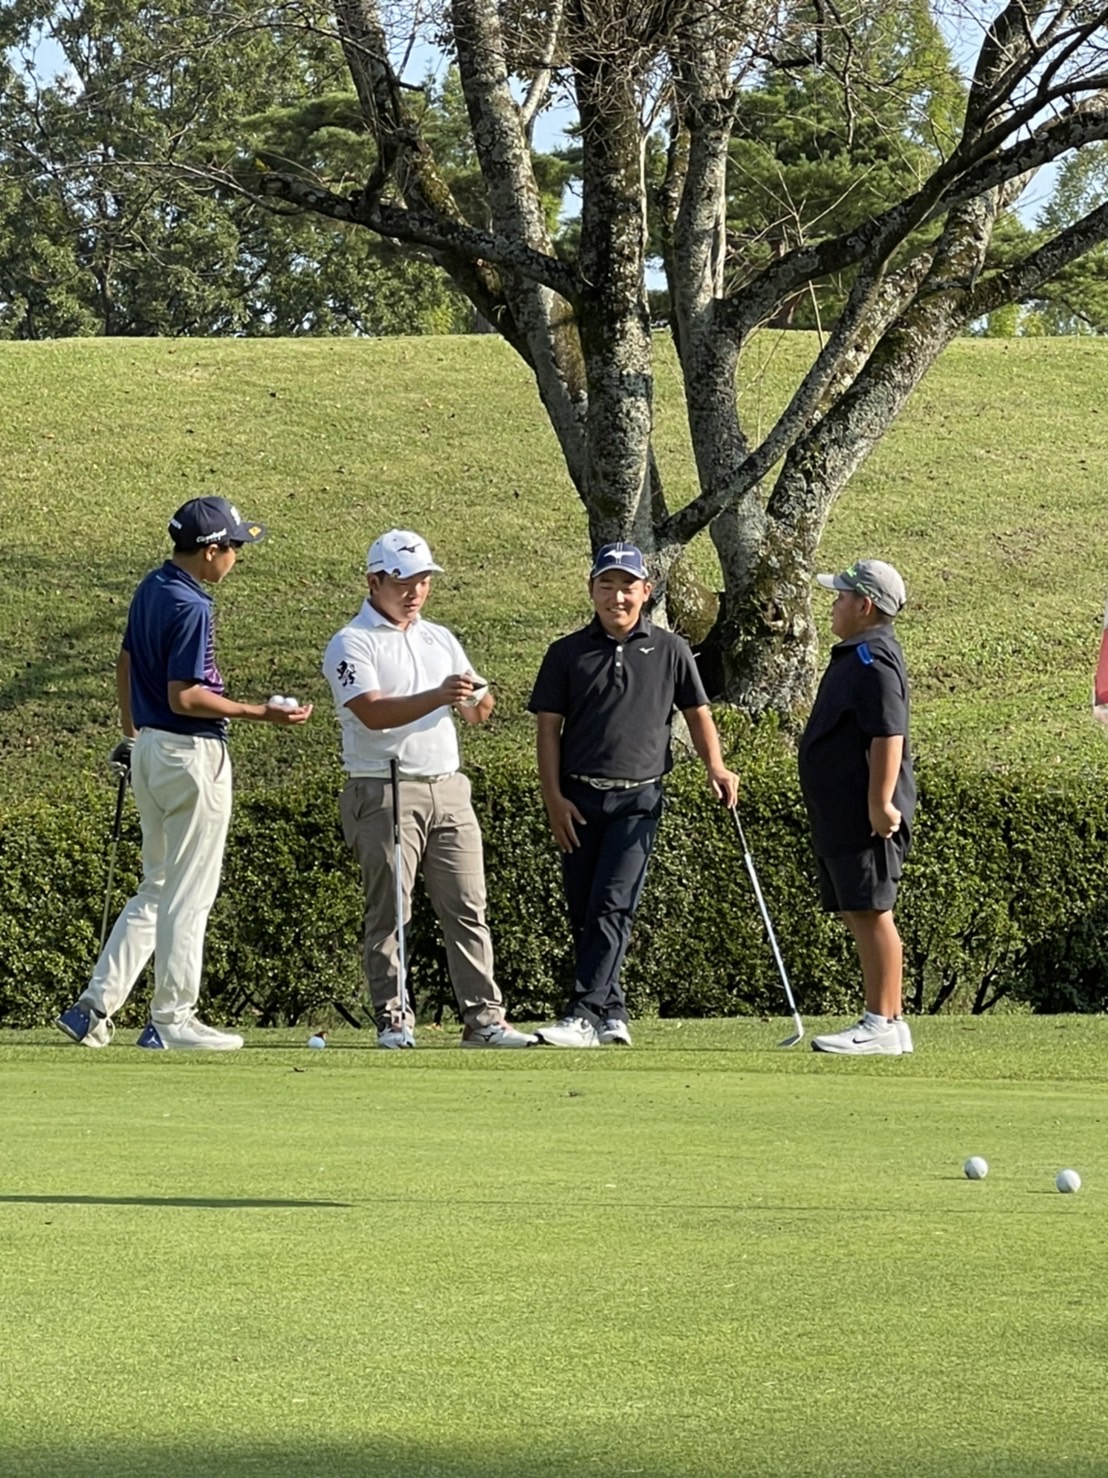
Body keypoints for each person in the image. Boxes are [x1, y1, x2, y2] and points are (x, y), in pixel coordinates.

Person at [56, 496, 313, 1052]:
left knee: (158, 886)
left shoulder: (151, 586)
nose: (238, 556)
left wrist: (134, 734)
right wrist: (259, 712)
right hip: (191, 755)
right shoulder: (193, 605)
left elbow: (125, 662)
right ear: (210, 551)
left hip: (150, 749)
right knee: (189, 893)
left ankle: (93, 1009)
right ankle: (172, 1019)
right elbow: (187, 695)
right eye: (235, 546)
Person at [322, 529, 534, 1049]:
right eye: (403, 582)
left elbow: (480, 710)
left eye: (423, 581)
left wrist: (472, 698)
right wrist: (439, 695)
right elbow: (371, 712)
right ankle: (394, 1018)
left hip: (449, 787)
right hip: (385, 788)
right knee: (392, 912)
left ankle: (483, 1020)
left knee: (468, 906)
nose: (415, 592)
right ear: (374, 582)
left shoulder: (439, 637)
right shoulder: (351, 642)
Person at [528, 542, 739, 1047]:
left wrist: (715, 765)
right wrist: (553, 797)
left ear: (647, 591)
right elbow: (548, 731)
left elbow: (697, 713)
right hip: (578, 799)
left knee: (612, 904)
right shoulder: (565, 654)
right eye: (607, 585)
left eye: (627, 586)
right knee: (585, 910)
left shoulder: (671, 650)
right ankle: (612, 1010)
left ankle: (583, 1015)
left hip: (638, 800)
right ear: (591, 590)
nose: (616, 597)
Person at [797, 559, 916, 1056]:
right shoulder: (858, 654)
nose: (834, 604)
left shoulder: (873, 658)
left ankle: (881, 1022)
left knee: (872, 911)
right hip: (844, 812)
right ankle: (889, 1019)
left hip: (866, 815)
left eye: (842, 597)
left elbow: (888, 734)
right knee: (858, 910)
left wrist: (880, 802)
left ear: (864, 605)